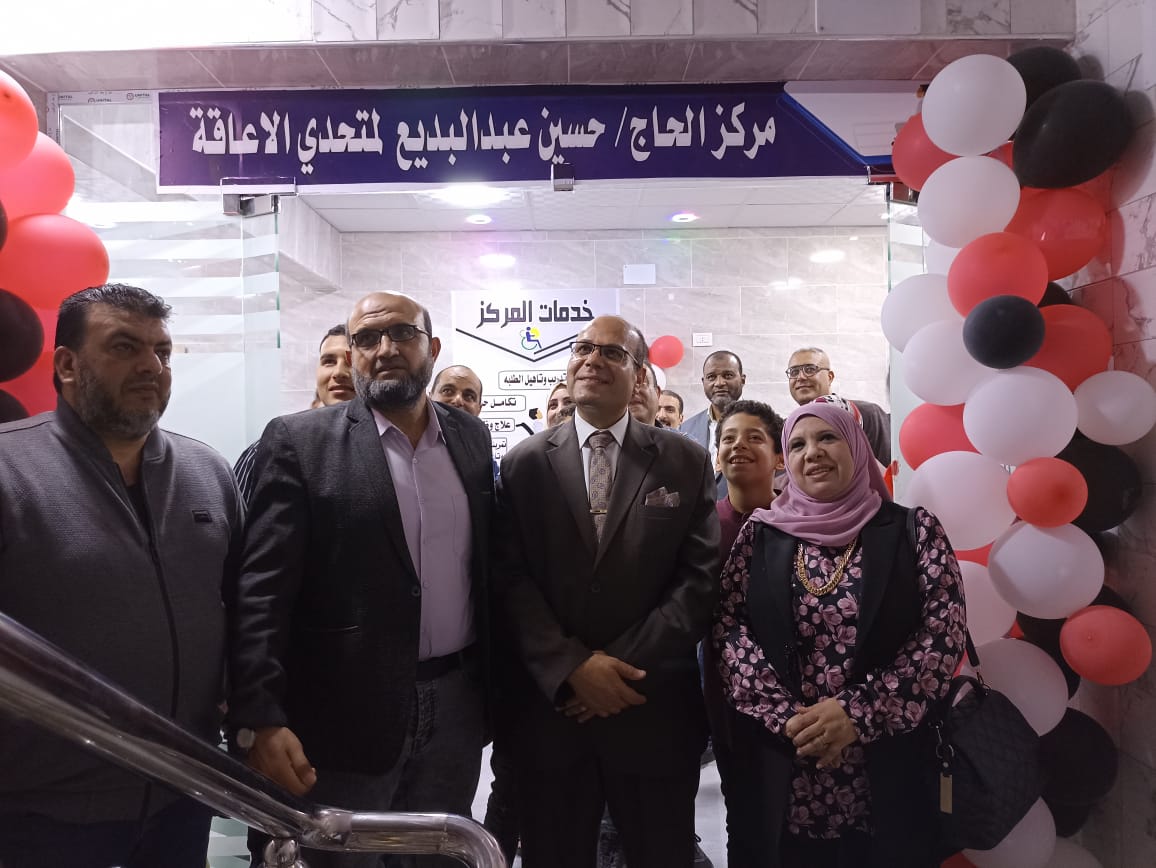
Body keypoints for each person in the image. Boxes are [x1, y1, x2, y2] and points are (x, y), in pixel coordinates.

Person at [228, 292, 494, 868]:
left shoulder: (470, 439)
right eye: (367, 339)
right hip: (342, 714)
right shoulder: (300, 441)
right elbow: (263, 592)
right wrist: (260, 717)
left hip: (455, 709)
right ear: (352, 355)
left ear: (433, 348)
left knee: (440, 859)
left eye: (402, 334)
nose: (385, 349)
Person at [0, 283, 244, 868]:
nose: (150, 367)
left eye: (162, 351)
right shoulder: (9, 470)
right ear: (66, 365)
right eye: (124, 347)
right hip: (41, 814)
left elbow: (242, 612)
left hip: (183, 797)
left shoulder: (208, 471)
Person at [494, 315, 720, 868]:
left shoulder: (684, 460)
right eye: (582, 349)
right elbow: (510, 579)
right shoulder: (523, 464)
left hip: (650, 709)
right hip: (554, 716)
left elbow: (698, 580)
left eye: (611, 353)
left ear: (640, 375)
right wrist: (571, 668)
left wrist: (612, 672)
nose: (592, 360)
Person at [712, 401, 966, 868]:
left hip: (888, 763)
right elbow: (729, 628)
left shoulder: (913, 531)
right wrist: (792, 722)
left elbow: (942, 633)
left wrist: (856, 714)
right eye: (797, 445)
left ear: (856, 446)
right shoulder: (759, 536)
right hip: (784, 762)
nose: (812, 453)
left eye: (827, 438)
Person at [701, 400, 784, 862]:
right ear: (717, 457)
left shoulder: (803, 523)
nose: (739, 446)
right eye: (728, 439)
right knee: (747, 824)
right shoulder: (700, 528)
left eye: (754, 437)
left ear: (779, 458)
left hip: (804, 702)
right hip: (729, 701)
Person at [233, 323, 353, 502]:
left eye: (351, 361)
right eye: (329, 361)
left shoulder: (387, 446)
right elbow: (237, 516)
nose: (339, 372)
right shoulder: (272, 449)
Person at [785, 347, 891, 466]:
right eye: (794, 372)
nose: (801, 377)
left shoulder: (867, 414)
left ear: (830, 377)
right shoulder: (787, 427)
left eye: (810, 369)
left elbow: (887, 469)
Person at [680, 351, 746, 499]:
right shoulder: (686, 429)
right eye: (711, 377)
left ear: (742, 380)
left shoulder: (762, 424)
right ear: (703, 382)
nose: (719, 383)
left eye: (728, 375)